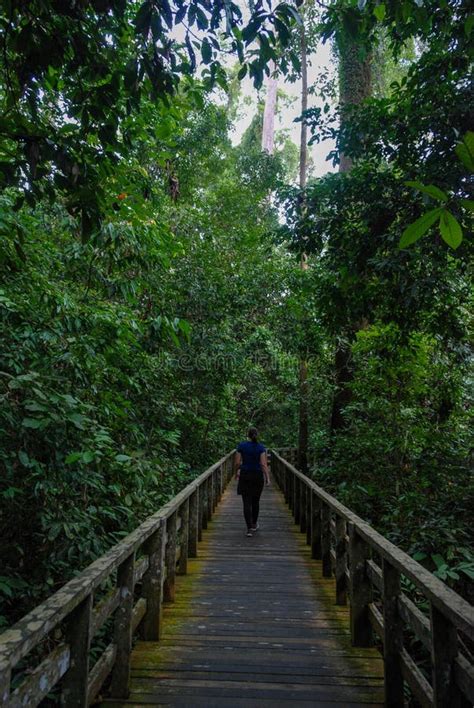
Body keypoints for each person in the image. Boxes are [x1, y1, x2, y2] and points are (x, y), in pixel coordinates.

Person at [235, 427, 270, 537]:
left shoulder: (241, 446)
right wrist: (267, 478)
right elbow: (263, 464)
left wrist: (236, 472)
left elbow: (237, 462)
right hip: (257, 476)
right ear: (257, 435)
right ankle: (254, 524)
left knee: (246, 502)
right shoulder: (261, 447)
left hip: (245, 475)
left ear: (248, 435)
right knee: (255, 501)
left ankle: (249, 528)